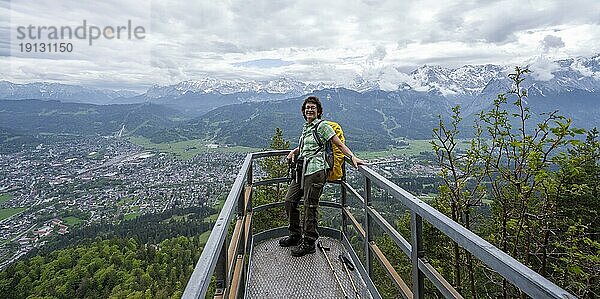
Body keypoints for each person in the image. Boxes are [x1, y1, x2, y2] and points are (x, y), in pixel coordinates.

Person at [279, 96, 365, 257]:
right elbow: (307, 146)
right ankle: (296, 235)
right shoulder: (306, 126)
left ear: (319, 111)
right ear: (304, 112)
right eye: (307, 108)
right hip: (302, 170)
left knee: (309, 206)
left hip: (317, 171)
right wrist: (294, 151)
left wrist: (352, 157)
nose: (309, 110)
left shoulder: (323, 126)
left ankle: (309, 242)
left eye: (313, 107)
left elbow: (338, 144)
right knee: (289, 200)